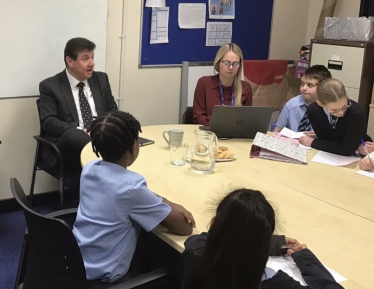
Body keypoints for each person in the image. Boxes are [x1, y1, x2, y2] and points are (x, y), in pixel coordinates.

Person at [73, 111, 195, 286]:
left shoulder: (90, 169)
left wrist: (161, 200)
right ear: (134, 147)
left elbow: (133, 195)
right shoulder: (131, 188)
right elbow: (185, 228)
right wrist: (168, 202)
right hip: (108, 275)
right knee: (177, 265)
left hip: (79, 260)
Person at [181, 189, 343, 289]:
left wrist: (275, 243)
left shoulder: (195, 255)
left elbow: (203, 239)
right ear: (263, 243)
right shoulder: (275, 283)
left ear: (213, 223)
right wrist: (307, 259)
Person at [39, 37, 118, 188]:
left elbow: (113, 111)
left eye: (93, 57)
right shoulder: (50, 86)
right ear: (70, 61)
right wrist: (82, 130)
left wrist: (101, 130)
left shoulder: (101, 79)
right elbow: (49, 123)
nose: (92, 63)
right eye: (85, 58)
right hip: (67, 146)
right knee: (73, 134)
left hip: (101, 137)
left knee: (126, 129)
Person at [299, 78, 373, 156]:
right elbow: (327, 140)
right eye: (335, 110)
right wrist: (355, 146)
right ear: (320, 103)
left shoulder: (356, 113)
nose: (341, 113)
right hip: (330, 156)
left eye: (345, 107)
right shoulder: (314, 111)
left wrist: (313, 142)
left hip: (361, 154)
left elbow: (347, 150)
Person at [193, 43, 252, 126]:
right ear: (218, 63)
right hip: (209, 134)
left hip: (235, 135)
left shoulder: (246, 87)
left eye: (235, 64)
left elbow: (248, 120)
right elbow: (198, 118)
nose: (231, 67)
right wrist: (223, 121)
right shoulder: (204, 83)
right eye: (227, 63)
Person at [273, 65, 331, 133]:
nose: (304, 88)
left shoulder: (331, 108)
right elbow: (277, 131)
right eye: (302, 84)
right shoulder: (292, 104)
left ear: (323, 87)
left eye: (309, 85)